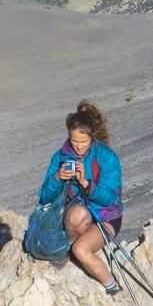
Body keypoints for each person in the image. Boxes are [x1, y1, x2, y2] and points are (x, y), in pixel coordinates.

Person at [39, 100, 124, 294]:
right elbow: (45, 197)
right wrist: (57, 177)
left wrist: (87, 184)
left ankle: (113, 288)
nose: (78, 147)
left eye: (83, 142)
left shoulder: (106, 157)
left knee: (81, 250)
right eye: (74, 141)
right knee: (76, 213)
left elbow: (111, 200)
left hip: (106, 217)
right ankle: (66, 248)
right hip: (77, 216)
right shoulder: (60, 157)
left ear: (92, 138)